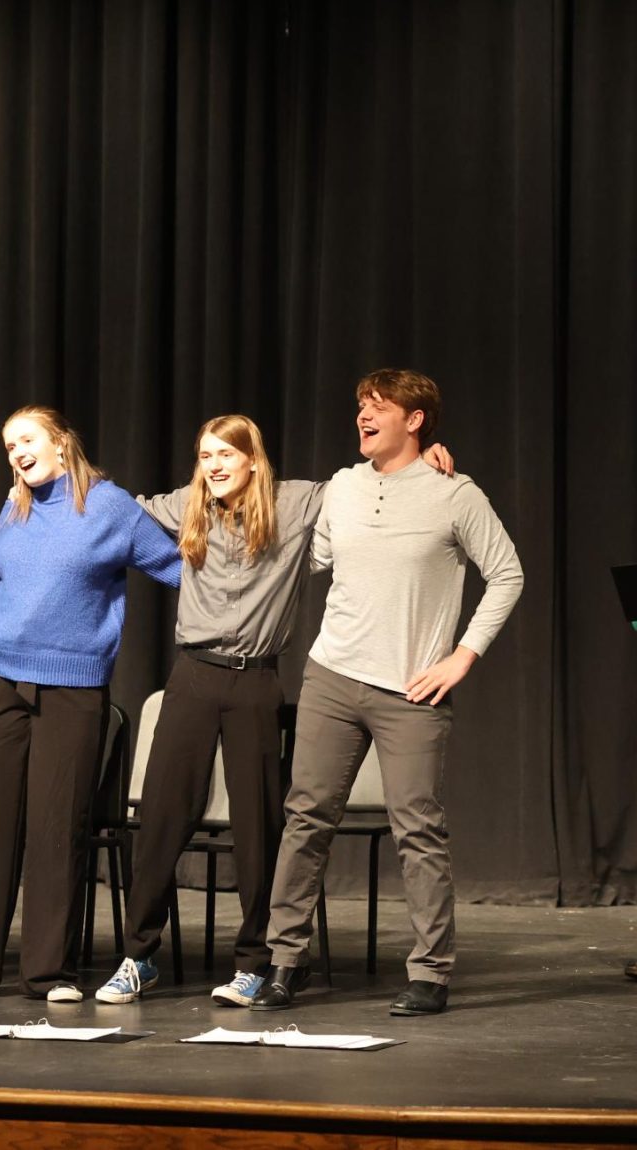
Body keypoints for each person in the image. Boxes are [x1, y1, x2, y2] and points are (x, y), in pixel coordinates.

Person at [93, 416, 452, 1007]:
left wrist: (427, 460)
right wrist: (52, 486)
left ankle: (256, 963)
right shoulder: (187, 504)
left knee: (261, 828)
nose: (213, 465)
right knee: (160, 818)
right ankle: (138, 956)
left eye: (224, 455)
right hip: (193, 676)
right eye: (204, 454)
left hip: (256, 682)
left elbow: (374, 479)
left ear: (252, 460)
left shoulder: (299, 501)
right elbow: (117, 506)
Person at [250, 369, 523, 1017]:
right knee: (304, 820)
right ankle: (285, 961)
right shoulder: (343, 488)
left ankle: (430, 972)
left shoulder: (453, 493)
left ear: (416, 419)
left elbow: (507, 574)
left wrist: (462, 656)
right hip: (332, 677)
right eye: (360, 407)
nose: (364, 416)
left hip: (411, 689)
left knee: (418, 831)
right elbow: (304, 559)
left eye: (379, 407)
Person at [0, 406, 182, 1003]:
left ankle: (48, 973)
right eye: (9, 444)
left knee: (56, 827)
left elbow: (176, 568)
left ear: (61, 442)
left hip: (73, 685)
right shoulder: (17, 507)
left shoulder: (111, 507)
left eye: (27, 439)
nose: (16, 452)